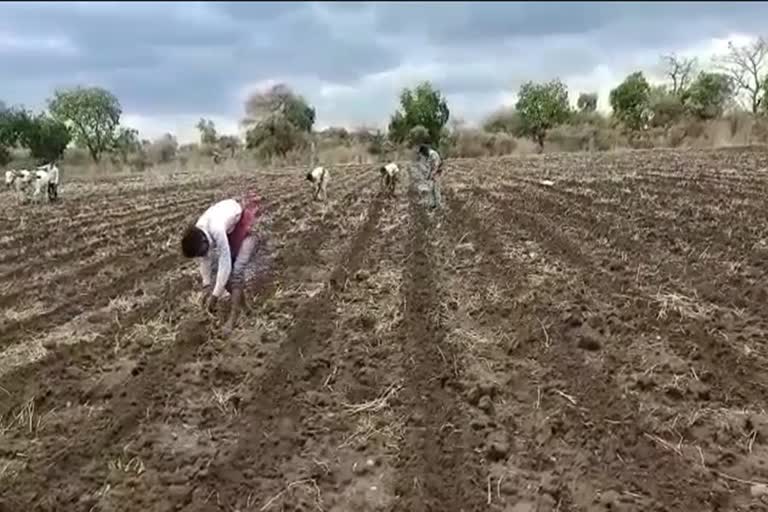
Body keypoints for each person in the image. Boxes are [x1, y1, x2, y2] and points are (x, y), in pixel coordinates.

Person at [180, 193, 264, 335]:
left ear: (204, 242)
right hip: (231, 230)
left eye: (201, 252)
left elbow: (225, 263)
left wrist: (215, 296)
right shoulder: (199, 230)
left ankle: (233, 319)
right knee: (224, 279)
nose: (203, 255)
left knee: (236, 272)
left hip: (246, 227)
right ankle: (247, 310)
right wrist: (207, 285)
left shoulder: (216, 228)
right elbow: (204, 260)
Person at [418, 144, 444, 209]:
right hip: (433, 174)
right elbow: (430, 167)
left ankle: (438, 205)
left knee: (436, 189)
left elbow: (435, 166)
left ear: (425, 151)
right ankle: (433, 205)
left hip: (436, 174)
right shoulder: (430, 155)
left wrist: (431, 175)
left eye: (423, 153)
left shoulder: (433, 154)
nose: (423, 155)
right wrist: (428, 176)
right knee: (432, 189)